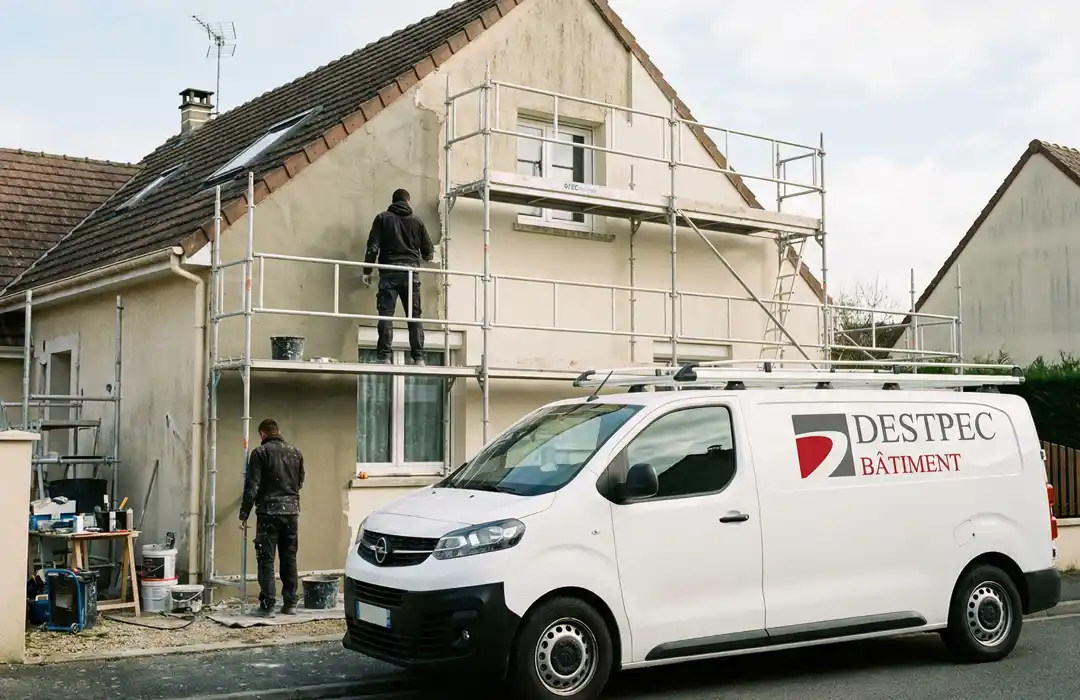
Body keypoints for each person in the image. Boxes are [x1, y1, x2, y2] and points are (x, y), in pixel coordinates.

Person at [239, 418, 305, 617]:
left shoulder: (260, 453)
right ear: (278, 431)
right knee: (289, 558)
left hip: (268, 512)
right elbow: (300, 482)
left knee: (266, 559)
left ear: (262, 434)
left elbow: (252, 486)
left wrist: (244, 513)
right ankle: (290, 603)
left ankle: (268, 606)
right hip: (291, 511)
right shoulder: (296, 452)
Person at [362, 188, 434, 365]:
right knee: (414, 316)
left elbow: (373, 247)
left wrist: (367, 270)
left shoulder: (382, 219)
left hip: (389, 272)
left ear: (393, 201)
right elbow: (428, 251)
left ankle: (384, 356)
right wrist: (425, 256)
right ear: (408, 201)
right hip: (410, 274)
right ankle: (418, 358)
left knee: (386, 315)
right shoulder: (417, 222)